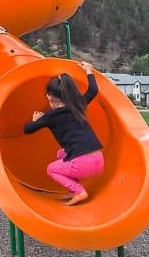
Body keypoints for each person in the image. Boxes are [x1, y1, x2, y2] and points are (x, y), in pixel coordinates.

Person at [23, 61, 104, 206]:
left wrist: (35, 120)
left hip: (83, 164)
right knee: (61, 154)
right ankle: (74, 190)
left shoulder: (50, 116)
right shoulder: (78, 104)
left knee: (51, 169)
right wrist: (88, 70)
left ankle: (79, 191)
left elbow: (27, 129)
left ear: (51, 98)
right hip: (99, 160)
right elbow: (93, 90)